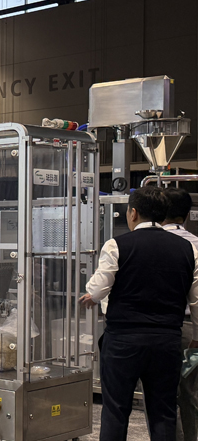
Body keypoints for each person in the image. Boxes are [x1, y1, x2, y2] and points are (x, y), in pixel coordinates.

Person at [79, 185, 198, 440]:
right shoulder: (187, 248)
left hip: (124, 341)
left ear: (133, 213)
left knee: (115, 411)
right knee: (163, 411)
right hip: (167, 340)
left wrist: (91, 295)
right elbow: (196, 300)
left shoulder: (117, 245)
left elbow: (98, 289)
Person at [161, 187, 198, 441]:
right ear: (186, 215)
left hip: (158, 329)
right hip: (189, 329)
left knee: (161, 394)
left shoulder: (146, 243)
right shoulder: (195, 244)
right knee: (191, 393)